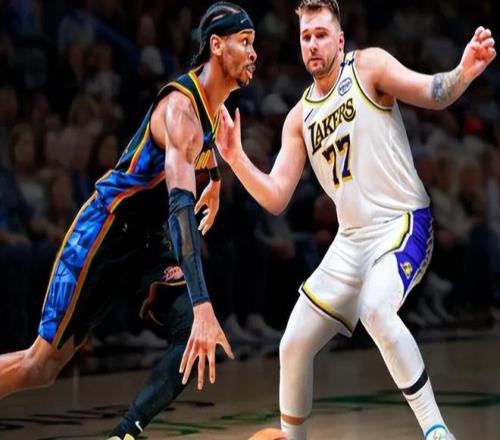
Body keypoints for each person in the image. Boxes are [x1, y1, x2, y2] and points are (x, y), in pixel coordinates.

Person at [215, 1, 496, 439]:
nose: (313, 44)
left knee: (376, 310)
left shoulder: (368, 67)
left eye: (321, 34)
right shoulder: (299, 117)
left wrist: (464, 72)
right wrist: (236, 158)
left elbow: (433, 92)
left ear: (340, 39)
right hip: (350, 241)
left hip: (402, 222)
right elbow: (275, 196)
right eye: (306, 37)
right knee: (293, 343)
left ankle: (437, 431)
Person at [0, 2, 257, 440]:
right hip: (106, 230)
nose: (254, 53)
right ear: (217, 46)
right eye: (245, 42)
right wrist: (202, 304)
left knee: (194, 338)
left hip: (146, 242)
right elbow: (180, 212)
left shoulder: (212, 107)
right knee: (40, 366)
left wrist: (214, 179)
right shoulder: (180, 111)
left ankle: (125, 433)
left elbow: (203, 145)